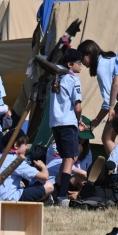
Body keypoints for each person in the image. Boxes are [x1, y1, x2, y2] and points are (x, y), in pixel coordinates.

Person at [49, 48, 86, 205]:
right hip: (67, 122)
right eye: (79, 62)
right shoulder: (73, 79)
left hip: (55, 122)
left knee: (67, 158)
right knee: (70, 158)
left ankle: (58, 192)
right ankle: (62, 195)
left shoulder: (56, 77)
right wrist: (79, 120)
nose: (82, 65)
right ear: (70, 64)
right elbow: (77, 106)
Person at [0, 130, 54, 202]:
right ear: (16, 145)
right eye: (25, 144)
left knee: (23, 184)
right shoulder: (15, 160)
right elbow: (44, 177)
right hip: (9, 198)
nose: (27, 148)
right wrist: (43, 166)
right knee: (49, 186)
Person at [77, 39, 118, 154]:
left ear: (89, 53)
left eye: (81, 58)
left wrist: (96, 121)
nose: (81, 63)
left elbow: (109, 101)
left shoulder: (102, 68)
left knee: (107, 138)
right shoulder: (109, 59)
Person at [46, 116, 94, 195]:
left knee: (82, 181)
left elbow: (85, 172)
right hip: (56, 183)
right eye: (80, 137)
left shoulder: (87, 151)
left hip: (75, 181)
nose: (82, 140)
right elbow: (82, 173)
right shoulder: (57, 148)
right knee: (80, 178)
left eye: (85, 138)